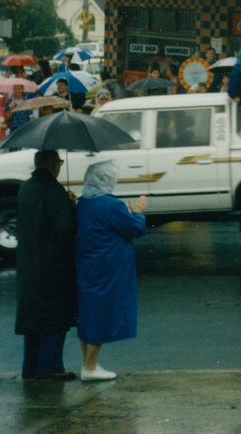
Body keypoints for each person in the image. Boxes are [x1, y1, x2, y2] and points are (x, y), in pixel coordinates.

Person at [75, 160, 148, 381]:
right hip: (108, 266)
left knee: (88, 314)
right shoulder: (111, 205)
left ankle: (89, 363)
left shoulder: (84, 203)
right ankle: (89, 367)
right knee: (102, 314)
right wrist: (137, 211)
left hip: (87, 264)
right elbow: (135, 228)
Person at [15, 150, 78, 380]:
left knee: (33, 319)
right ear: (53, 166)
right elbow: (64, 228)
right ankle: (50, 366)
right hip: (53, 263)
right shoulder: (53, 190)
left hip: (29, 262)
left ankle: (30, 366)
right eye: (59, 163)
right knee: (54, 316)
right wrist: (70, 205)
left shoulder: (26, 187)